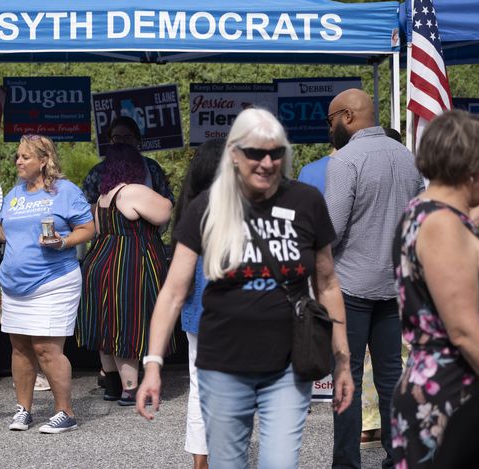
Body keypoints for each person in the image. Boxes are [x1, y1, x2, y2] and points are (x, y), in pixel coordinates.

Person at [136, 108, 353, 469]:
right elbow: (174, 291)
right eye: (255, 153)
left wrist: (343, 361)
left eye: (276, 153)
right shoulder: (208, 207)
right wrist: (153, 364)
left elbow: (328, 283)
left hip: (288, 365)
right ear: (235, 154)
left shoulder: (306, 202)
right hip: (222, 366)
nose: (267, 163)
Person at [391, 110, 479, 468]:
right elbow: (464, 330)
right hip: (455, 398)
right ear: (471, 169)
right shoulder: (441, 225)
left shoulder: (428, 213)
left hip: (458, 394)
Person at [0, 134, 95, 434]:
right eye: (17, 157)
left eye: (25, 156)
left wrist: (64, 242)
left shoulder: (66, 192)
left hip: (54, 281)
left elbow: (88, 228)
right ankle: (24, 409)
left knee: (46, 348)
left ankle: (65, 412)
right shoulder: (15, 194)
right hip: (14, 285)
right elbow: (3, 233)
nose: (18, 161)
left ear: (44, 160)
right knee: (20, 348)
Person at [324, 89, 424, 469]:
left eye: (331, 120)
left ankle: (347, 463)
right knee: (391, 377)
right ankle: (398, 457)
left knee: (346, 377)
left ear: (347, 117)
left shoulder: (345, 160)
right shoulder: (407, 157)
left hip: (349, 288)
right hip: (395, 285)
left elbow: (331, 230)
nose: (330, 128)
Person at [77, 143, 174, 405]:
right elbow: (165, 210)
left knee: (106, 326)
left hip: (100, 261)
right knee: (126, 326)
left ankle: (112, 385)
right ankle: (130, 389)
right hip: (129, 264)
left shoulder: (103, 196)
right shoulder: (133, 191)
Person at [170, 138, 225, 469]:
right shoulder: (236, 207)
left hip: (195, 312)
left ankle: (201, 461)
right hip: (232, 314)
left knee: (198, 388)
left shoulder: (189, 207)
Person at [82, 115, 174, 205]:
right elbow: (85, 209)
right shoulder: (97, 172)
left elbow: (168, 201)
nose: (122, 142)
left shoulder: (151, 168)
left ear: (137, 140)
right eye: (117, 137)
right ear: (110, 141)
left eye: (127, 137)